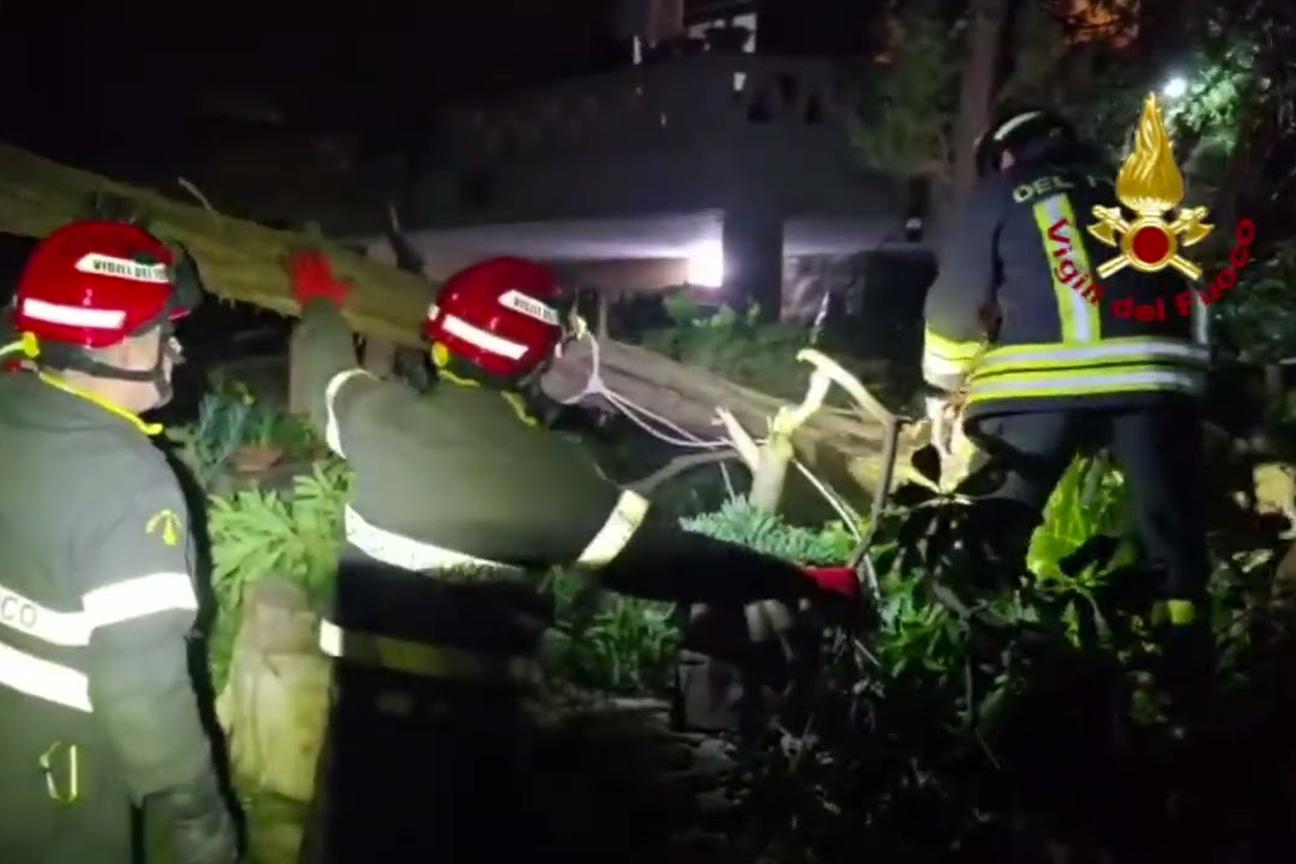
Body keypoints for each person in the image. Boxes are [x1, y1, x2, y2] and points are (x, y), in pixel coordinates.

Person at [287, 252, 858, 863]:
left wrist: (319, 302)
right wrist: (801, 577)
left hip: (357, 734)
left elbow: (329, 374)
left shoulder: (377, 416)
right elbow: (671, 561)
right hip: (467, 749)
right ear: (534, 359)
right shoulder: (552, 478)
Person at [921, 107, 1213, 671]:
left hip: (1044, 388)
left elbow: (955, 302)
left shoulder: (1002, 193)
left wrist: (944, 384)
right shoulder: (1134, 194)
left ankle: (975, 664)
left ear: (1006, 154)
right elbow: (1190, 286)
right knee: (1171, 536)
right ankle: (1186, 678)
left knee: (994, 532)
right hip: (1156, 380)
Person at [0, 221, 240, 863]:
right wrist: (197, 817)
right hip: (55, 781)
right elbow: (140, 685)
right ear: (126, 347)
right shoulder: (131, 485)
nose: (177, 354)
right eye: (167, 335)